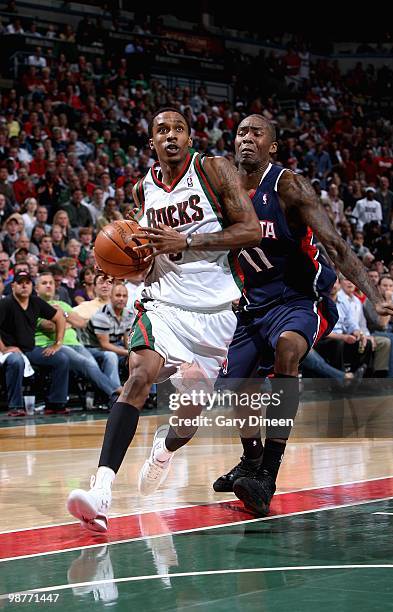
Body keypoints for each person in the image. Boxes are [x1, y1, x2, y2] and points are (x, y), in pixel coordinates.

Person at [67, 107, 261, 532]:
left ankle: (164, 451)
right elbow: (145, 254)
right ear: (151, 142)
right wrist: (122, 266)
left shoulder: (214, 170)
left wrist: (188, 239)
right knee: (139, 376)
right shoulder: (143, 190)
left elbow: (250, 230)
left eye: (178, 129)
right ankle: (101, 489)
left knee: (188, 415)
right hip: (164, 305)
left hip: (218, 315)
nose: (170, 135)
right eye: (161, 130)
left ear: (189, 138)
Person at [211, 114, 393, 516]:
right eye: (241, 132)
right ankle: (251, 460)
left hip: (303, 298)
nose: (247, 138)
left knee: (287, 350)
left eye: (256, 133)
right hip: (254, 303)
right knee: (236, 386)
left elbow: (334, 242)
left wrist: (373, 296)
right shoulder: (222, 188)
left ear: (272, 146)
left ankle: (268, 475)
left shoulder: (288, 186)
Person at [34, 272, 122, 402]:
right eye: (44, 283)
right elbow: (50, 326)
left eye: (51, 283)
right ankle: (117, 392)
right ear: (36, 289)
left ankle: (110, 397)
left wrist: (62, 314)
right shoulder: (34, 305)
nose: (48, 286)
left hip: (76, 344)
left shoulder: (62, 304)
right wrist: (66, 321)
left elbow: (81, 323)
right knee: (87, 363)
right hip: (55, 345)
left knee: (104, 359)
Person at [0, 270, 69, 414]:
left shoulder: (36, 302)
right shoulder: (5, 303)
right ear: (13, 286)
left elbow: (60, 318)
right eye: (20, 283)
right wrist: (4, 348)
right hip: (6, 351)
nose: (24, 286)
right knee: (16, 361)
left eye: (27, 283)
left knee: (61, 359)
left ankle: (56, 404)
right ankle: (15, 406)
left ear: (31, 286)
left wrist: (58, 343)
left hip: (29, 350)